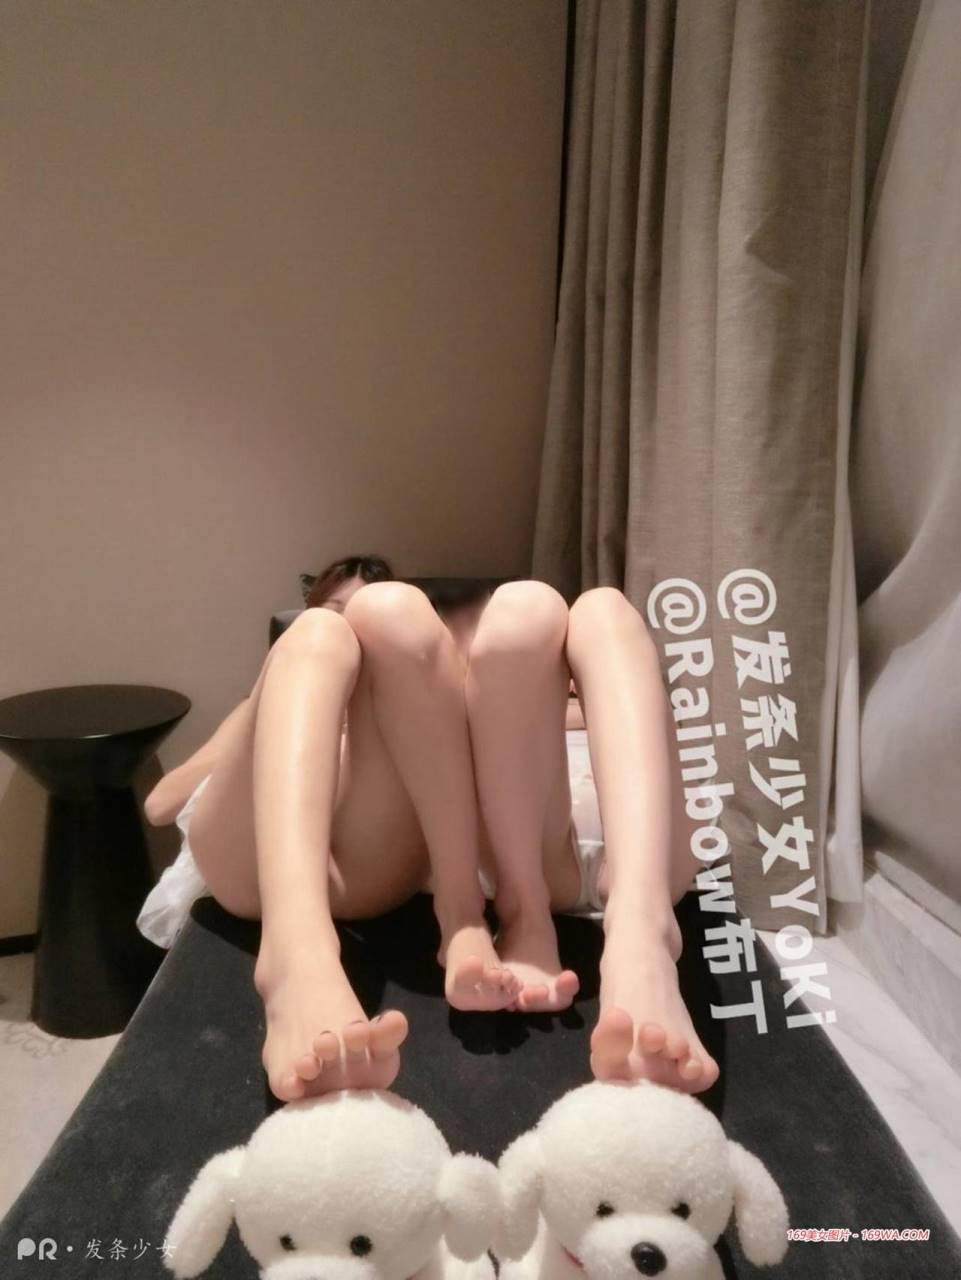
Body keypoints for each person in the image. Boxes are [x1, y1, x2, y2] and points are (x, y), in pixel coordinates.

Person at [144, 556, 719, 1102]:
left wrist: (542, 691)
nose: (354, 643)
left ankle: (638, 939)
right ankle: (296, 956)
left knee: (593, 609)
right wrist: (282, 698)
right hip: (274, 856)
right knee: (330, 632)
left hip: (543, 853)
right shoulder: (287, 681)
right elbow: (163, 803)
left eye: (361, 643)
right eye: (342, 617)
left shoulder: (435, 701)